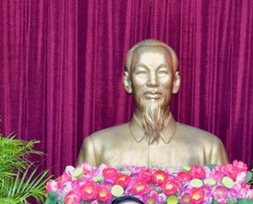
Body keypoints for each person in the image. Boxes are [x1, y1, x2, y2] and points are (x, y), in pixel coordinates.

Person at [76, 39, 229, 168]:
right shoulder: (97, 148)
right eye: (142, 72)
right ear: (127, 82)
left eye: (162, 72)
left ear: (175, 82)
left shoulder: (208, 149)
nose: (153, 82)